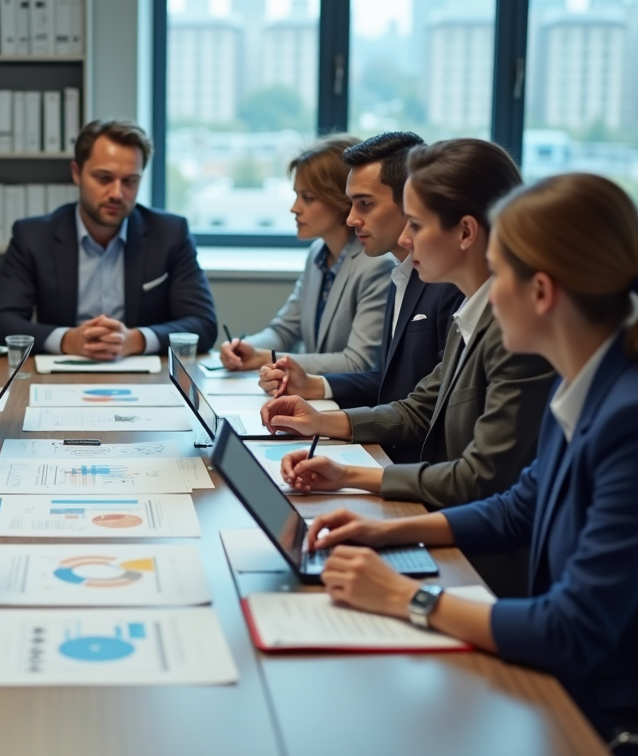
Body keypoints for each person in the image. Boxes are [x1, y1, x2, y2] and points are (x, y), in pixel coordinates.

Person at [299, 173, 638, 743]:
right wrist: (380, 534)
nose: (486, 293)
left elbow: (572, 628)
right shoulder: (587, 383)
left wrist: (405, 596)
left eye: (500, 272)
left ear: (540, 291)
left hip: (624, 721)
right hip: (571, 684)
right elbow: (518, 508)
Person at [264, 139, 556, 595]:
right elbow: (421, 406)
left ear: (465, 232)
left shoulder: (513, 330)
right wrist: (328, 432)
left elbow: (479, 479)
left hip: (488, 565)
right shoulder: (473, 314)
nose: (404, 239)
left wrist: (357, 478)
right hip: (458, 534)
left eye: (415, 225)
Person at [257, 133, 463, 439]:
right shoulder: (401, 274)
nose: (351, 219)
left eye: (364, 204)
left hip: (411, 462)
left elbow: (424, 408)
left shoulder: (448, 284)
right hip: (389, 448)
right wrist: (316, 385)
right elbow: (389, 381)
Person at [0, 119, 217, 357]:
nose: (116, 193)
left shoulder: (169, 233)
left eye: (129, 181)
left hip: (146, 376)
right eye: (104, 178)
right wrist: (66, 340)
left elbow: (203, 324)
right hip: (60, 374)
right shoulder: (33, 236)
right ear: (77, 173)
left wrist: (136, 340)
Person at [216, 135, 392, 377]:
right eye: (296, 195)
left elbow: (358, 363)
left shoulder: (376, 264)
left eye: (307, 198)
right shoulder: (318, 253)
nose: (294, 208)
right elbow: (284, 330)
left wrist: (268, 358)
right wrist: (246, 348)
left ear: (342, 200)